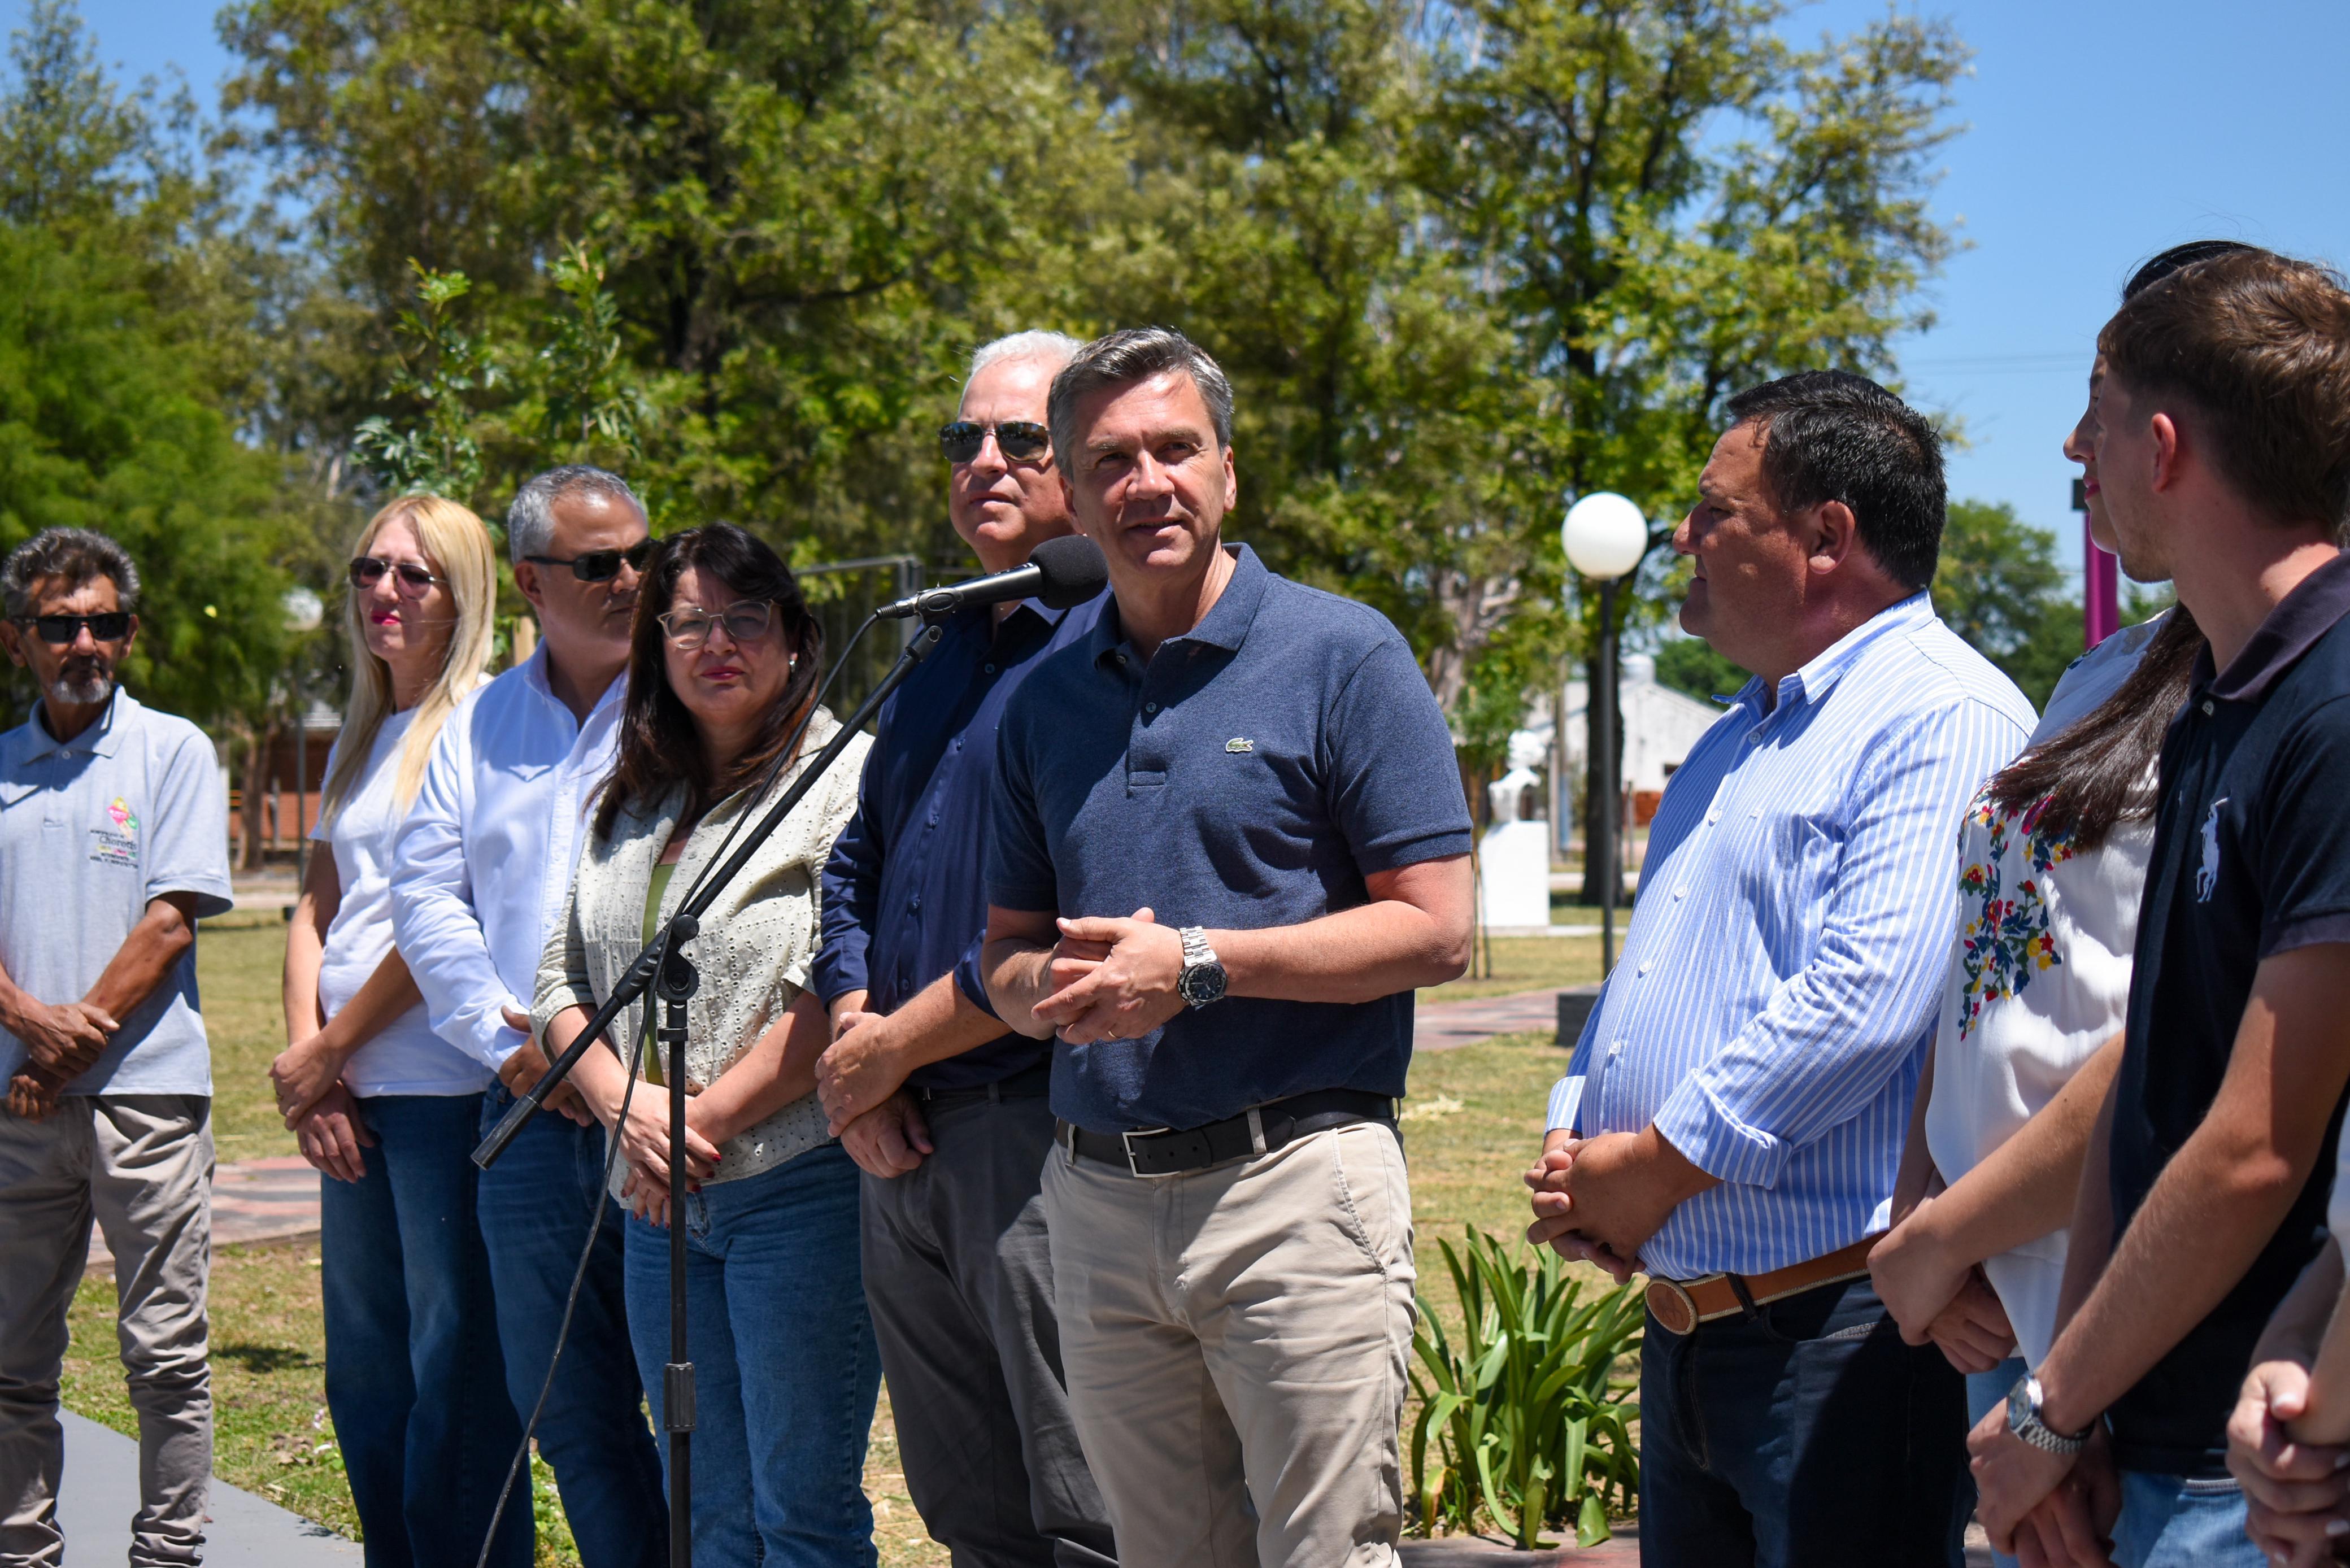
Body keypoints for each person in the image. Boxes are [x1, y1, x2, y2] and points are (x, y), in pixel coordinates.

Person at [980, 327, 1476, 1568]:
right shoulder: (1044, 698)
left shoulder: (1341, 654)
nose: (1148, 481)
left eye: (1175, 448)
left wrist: (1198, 962)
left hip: (1294, 1185)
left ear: (1227, 471)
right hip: (1096, 1200)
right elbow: (1003, 953)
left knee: (1324, 1556)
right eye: (1112, 460)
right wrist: (1056, 990)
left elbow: (1437, 926)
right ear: (1077, 497)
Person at [1526, 371, 2036, 1566]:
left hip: (1841, 1335)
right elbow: (1648, 976)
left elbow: (1869, 995)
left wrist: (1651, 1166)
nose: (1681, 538)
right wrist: (1577, 1149)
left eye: (1715, 511)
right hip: (1692, 1328)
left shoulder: (1942, 713)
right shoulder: (1730, 735)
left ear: (1826, 537)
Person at [1966, 251, 2350, 1568]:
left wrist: (2050, 1403)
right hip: (2151, 1433)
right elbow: (2148, 1093)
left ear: (2166, 443)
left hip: (2265, 1468)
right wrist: (2069, 1401)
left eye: (2098, 408)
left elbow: (2255, 1141)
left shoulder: (2332, 711)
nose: (2076, 445)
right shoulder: (2217, 700)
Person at [1869, 243, 2242, 1568]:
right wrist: (1926, 1222)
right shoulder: (2100, 671)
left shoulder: (2262, 689)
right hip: (1995, 1303)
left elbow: (2172, 1032)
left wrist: (1952, 1250)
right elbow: (1987, 967)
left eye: (2097, 399)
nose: (2070, 441)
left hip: (2123, 1324)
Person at [810, 330, 1118, 1568]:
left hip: (1032, 1129)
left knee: (1085, 1506)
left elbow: (1079, 922)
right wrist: (852, 1043)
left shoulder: (1109, 647)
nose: (984, 461)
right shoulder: (940, 643)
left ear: (1080, 463)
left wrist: (888, 1052)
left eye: (1021, 438)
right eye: (963, 439)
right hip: (901, 1138)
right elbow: (850, 867)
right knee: (964, 1506)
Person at [534, 522, 880, 1563]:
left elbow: (835, 983)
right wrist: (623, 1111)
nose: (715, 643)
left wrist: (687, 1128)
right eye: (687, 623)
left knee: (802, 1517)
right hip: (653, 1206)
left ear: (793, 634)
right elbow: (561, 979)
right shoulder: (634, 793)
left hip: (798, 1191)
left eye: (744, 618)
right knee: (710, 1514)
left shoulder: (850, 774)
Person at [389, 466, 667, 1567]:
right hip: (528, 1121)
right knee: (576, 1415)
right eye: (600, 564)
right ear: (531, 581)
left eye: (644, 554)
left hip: (668, 1114)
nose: (632, 579)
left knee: (704, 1412)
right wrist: (506, 1039)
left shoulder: (693, 692)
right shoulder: (481, 725)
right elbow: (425, 893)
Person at [273, 495, 529, 1567]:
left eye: (413, 576)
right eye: (368, 571)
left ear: (463, 591)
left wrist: (333, 1050)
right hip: (351, 1102)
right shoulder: (366, 729)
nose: (384, 592)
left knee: (455, 1373)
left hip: (443, 1092)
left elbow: (445, 921)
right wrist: (310, 1066)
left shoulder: (484, 722)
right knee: (365, 1373)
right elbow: (314, 907)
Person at [0, 528, 233, 1565]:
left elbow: (170, 922)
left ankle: (169, 1553)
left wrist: (57, 1049)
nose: (81, 641)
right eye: (58, 624)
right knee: (11, 1361)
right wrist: (25, 1024)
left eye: (101, 622)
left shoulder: (174, 750)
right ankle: (22, 1548)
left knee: (166, 1357)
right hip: (17, 1111)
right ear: (19, 642)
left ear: (130, 635)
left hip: (146, 1102)